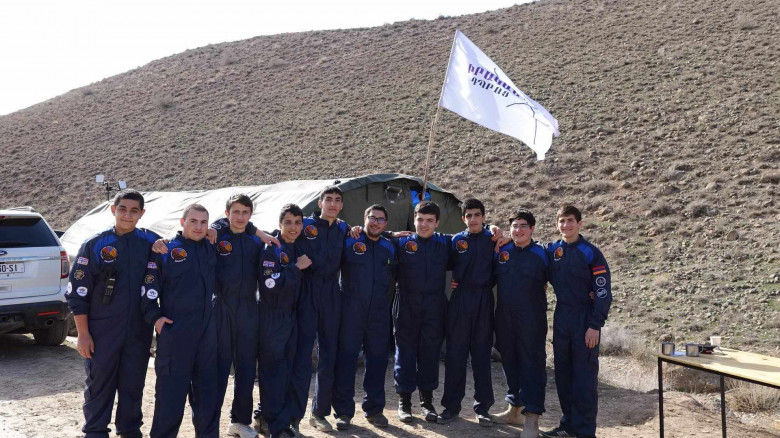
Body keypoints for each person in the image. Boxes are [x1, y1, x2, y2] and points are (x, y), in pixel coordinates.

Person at [66, 189, 160, 438]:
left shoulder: (151, 242)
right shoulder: (96, 245)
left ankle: (130, 431)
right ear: (113, 210)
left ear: (142, 213)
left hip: (138, 331)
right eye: (123, 209)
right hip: (102, 331)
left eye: (134, 210)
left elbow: (182, 247)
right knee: (99, 385)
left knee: (133, 385)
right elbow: (78, 293)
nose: (128, 215)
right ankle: (95, 432)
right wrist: (83, 334)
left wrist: (212, 231)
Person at [141, 204, 219, 438]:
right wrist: (155, 318)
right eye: (193, 221)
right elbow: (148, 290)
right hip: (175, 335)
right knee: (170, 398)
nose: (199, 227)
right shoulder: (166, 250)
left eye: (203, 222)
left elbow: (237, 223)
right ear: (182, 222)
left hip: (207, 336)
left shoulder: (211, 248)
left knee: (208, 399)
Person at [542, 205, 612, 438]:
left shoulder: (590, 252)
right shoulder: (553, 250)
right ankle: (568, 425)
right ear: (557, 224)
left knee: (584, 378)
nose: (566, 225)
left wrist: (595, 325)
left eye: (570, 220)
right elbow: (530, 254)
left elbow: (602, 291)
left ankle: (585, 431)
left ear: (580, 224)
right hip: (562, 316)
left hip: (585, 318)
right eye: (562, 221)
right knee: (563, 374)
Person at [287, 186, 349, 432]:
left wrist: (394, 233)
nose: (333, 204)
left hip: (332, 292)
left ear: (341, 205)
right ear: (320, 203)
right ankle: (294, 418)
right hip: (307, 291)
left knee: (328, 356)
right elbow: (279, 237)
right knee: (302, 357)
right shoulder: (304, 225)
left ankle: (319, 413)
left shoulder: (343, 228)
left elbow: (372, 232)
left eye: (337, 200)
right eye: (328, 199)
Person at [331, 205, 397, 430]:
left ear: (386, 224)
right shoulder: (349, 240)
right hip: (351, 311)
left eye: (381, 219)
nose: (376, 222)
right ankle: (343, 412)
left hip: (378, 313)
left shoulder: (390, 246)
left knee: (378, 361)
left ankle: (374, 410)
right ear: (364, 218)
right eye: (372, 218)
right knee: (346, 361)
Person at [491, 209, 549, 438]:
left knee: (532, 366)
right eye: (515, 226)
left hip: (532, 320)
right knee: (510, 362)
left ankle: (531, 418)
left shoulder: (542, 253)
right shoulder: (502, 252)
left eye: (523, 226)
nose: (518, 230)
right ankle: (514, 410)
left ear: (532, 228)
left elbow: (563, 278)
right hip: (505, 318)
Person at [393, 201, 451, 423]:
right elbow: (374, 236)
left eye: (429, 221)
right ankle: (404, 402)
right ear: (414, 220)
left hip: (434, 305)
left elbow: (472, 240)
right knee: (405, 353)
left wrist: (493, 230)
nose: (424, 225)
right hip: (406, 303)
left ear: (437, 223)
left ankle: (427, 402)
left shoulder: (446, 243)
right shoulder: (401, 243)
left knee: (430, 353)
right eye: (420, 220)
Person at [439, 198, 496, 426]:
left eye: (477, 215)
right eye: (468, 215)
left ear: (483, 217)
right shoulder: (456, 241)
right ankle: (451, 407)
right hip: (460, 299)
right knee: (455, 355)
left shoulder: (493, 239)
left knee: (481, 356)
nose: (473, 219)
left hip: (483, 299)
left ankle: (483, 408)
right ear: (463, 218)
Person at [211, 194, 264, 438]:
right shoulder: (215, 237)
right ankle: (209, 422)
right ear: (227, 214)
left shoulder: (257, 241)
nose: (240, 217)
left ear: (251, 215)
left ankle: (240, 421)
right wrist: (216, 227)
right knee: (218, 368)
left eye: (245, 212)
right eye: (236, 212)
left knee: (246, 368)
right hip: (221, 308)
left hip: (248, 309)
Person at [257, 204, 311, 438]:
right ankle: (275, 427)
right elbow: (270, 284)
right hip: (272, 317)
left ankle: (267, 418)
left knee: (287, 372)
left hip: (292, 316)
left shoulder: (298, 246)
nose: (293, 227)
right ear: (280, 224)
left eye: (298, 223)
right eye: (288, 222)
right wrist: (296, 268)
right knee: (274, 372)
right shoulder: (271, 248)